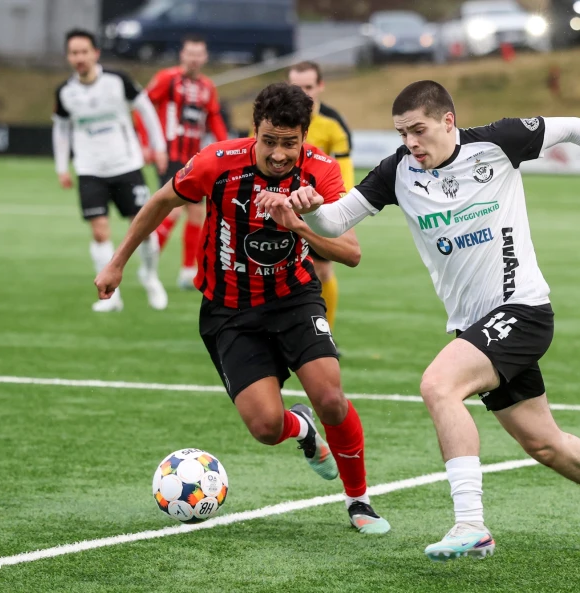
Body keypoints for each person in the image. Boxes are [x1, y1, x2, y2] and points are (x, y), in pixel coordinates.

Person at [256, 80, 580, 560]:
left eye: (418, 130)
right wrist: (307, 213)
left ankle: (471, 524)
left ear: (447, 121)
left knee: (439, 385)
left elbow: (574, 127)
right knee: (545, 444)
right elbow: (335, 222)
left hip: (522, 309)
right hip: (474, 327)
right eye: (402, 133)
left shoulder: (498, 143)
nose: (411, 142)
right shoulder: (397, 171)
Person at [94, 82, 390, 534]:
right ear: (255, 130)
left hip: (294, 298)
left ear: (304, 137)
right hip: (229, 310)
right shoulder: (217, 162)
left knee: (331, 398)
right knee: (266, 427)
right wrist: (117, 262)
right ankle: (301, 429)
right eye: (268, 141)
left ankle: (359, 501)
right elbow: (161, 201)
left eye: (289, 143)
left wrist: (300, 224)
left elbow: (351, 253)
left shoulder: (321, 171)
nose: (278, 154)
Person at [53, 28, 169, 313]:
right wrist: (61, 167)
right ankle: (111, 296)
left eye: (84, 51)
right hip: (89, 169)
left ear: (95, 53)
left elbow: (146, 110)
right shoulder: (65, 92)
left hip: (126, 165)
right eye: (74, 53)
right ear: (68, 57)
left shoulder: (118, 81)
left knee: (144, 228)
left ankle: (149, 276)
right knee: (99, 231)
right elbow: (61, 129)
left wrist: (159, 147)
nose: (79, 57)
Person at [143, 35, 229, 290]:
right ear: (182, 55)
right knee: (174, 209)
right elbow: (142, 107)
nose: (194, 59)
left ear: (205, 57)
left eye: (198, 54)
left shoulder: (207, 87)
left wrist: (227, 148)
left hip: (194, 159)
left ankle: (188, 271)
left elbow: (214, 119)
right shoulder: (166, 79)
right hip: (169, 154)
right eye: (190, 53)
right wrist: (147, 143)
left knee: (197, 212)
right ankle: (149, 264)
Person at [285, 62, 353, 331]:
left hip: (315, 209)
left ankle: (327, 333)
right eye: (296, 87)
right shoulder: (271, 119)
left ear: (320, 86)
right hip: (277, 206)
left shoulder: (333, 125)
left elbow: (344, 172)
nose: (303, 93)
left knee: (322, 271)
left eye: (308, 87)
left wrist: (340, 208)